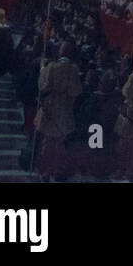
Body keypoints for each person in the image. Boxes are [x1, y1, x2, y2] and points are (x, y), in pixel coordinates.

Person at [34, 40, 81, 178]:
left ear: (61, 51)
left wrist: (42, 68)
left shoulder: (52, 67)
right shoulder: (74, 70)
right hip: (65, 111)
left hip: (50, 109)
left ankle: (45, 172)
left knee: (47, 143)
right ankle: (55, 170)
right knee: (60, 143)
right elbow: (77, 91)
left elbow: (42, 86)